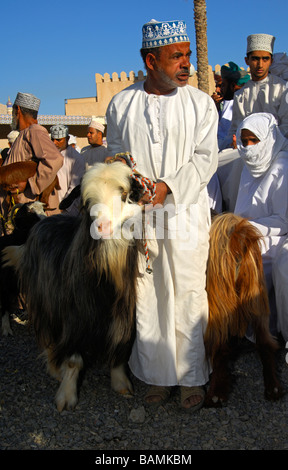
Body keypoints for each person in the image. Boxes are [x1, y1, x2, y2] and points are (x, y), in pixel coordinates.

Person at [106, 19, 219, 411]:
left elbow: (206, 160)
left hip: (186, 213)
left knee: (188, 292)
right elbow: (116, 155)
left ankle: (190, 379)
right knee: (149, 293)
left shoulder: (201, 103)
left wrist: (168, 186)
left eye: (188, 55)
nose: (186, 63)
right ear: (151, 61)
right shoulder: (121, 104)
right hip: (142, 216)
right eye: (177, 57)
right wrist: (133, 183)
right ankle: (156, 376)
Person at [234, 112, 288, 337]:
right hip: (247, 230)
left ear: (268, 139)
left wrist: (246, 229)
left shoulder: (281, 166)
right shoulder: (249, 164)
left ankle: (268, 330)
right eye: (244, 141)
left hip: (277, 235)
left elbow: (282, 221)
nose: (249, 147)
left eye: (254, 140)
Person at [0, 92, 63, 225]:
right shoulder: (23, 135)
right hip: (21, 211)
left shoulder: (34, 131)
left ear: (17, 110)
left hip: (30, 212)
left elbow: (55, 159)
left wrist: (31, 184)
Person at [228, 34, 288, 142]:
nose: (260, 65)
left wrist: (265, 143)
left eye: (265, 59)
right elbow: (236, 128)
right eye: (255, 59)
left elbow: (285, 126)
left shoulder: (282, 88)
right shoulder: (240, 95)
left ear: (271, 61)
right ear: (247, 61)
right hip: (247, 147)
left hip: (277, 147)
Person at [50, 124, 85, 215]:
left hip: (69, 210)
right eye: (52, 139)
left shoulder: (76, 158)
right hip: (50, 207)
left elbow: (75, 186)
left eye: (58, 140)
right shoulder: (48, 156)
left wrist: (63, 207)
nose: (54, 143)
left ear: (67, 139)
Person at [217, 61, 250, 151]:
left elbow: (224, 137)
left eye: (223, 85)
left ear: (232, 86)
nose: (220, 89)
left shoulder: (232, 103)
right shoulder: (227, 103)